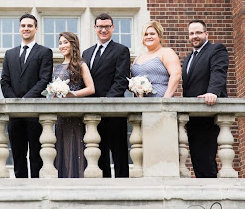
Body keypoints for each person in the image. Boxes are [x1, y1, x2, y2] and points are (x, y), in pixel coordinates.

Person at [0, 14, 53, 178]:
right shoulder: (10, 54)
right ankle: (20, 186)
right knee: (17, 154)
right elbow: (4, 81)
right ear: (19, 29)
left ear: (36, 29)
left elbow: (44, 79)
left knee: (36, 155)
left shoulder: (44, 52)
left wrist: (25, 101)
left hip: (35, 111)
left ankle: (36, 187)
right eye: (23, 26)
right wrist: (16, 102)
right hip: (15, 113)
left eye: (30, 26)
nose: (26, 28)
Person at [82, 13, 131, 178]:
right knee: (98, 151)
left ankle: (122, 186)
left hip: (114, 109)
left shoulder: (121, 50)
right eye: (100, 27)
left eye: (107, 26)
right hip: (92, 112)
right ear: (95, 28)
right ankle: (103, 185)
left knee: (119, 152)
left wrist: (106, 103)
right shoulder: (87, 53)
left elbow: (121, 80)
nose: (103, 30)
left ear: (113, 28)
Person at [182, 20, 229, 178]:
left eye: (198, 33)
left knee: (207, 158)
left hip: (208, 110)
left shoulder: (216, 49)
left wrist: (213, 92)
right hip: (193, 116)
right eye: (191, 33)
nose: (194, 36)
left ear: (206, 34)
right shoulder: (188, 58)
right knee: (197, 158)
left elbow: (218, 71)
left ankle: (214, 197)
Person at [53, 32, 95, 178]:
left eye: (65, 42)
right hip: (60, 116)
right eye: (60, 43)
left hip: (75, 114)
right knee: (60, 148)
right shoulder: (57, 67)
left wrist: (72, 94)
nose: (62, 46)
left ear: (73, 44)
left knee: (75, 147)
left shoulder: (80, 64)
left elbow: (91, 88)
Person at [130, 20, 181, 98]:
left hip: (161, 103)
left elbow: (176, 74)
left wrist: (166, 99)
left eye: (152, 34)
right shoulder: (138, 57)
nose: (148, 37)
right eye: (146, 34)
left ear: (160, 36)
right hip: (140, 104)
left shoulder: (166, 52)